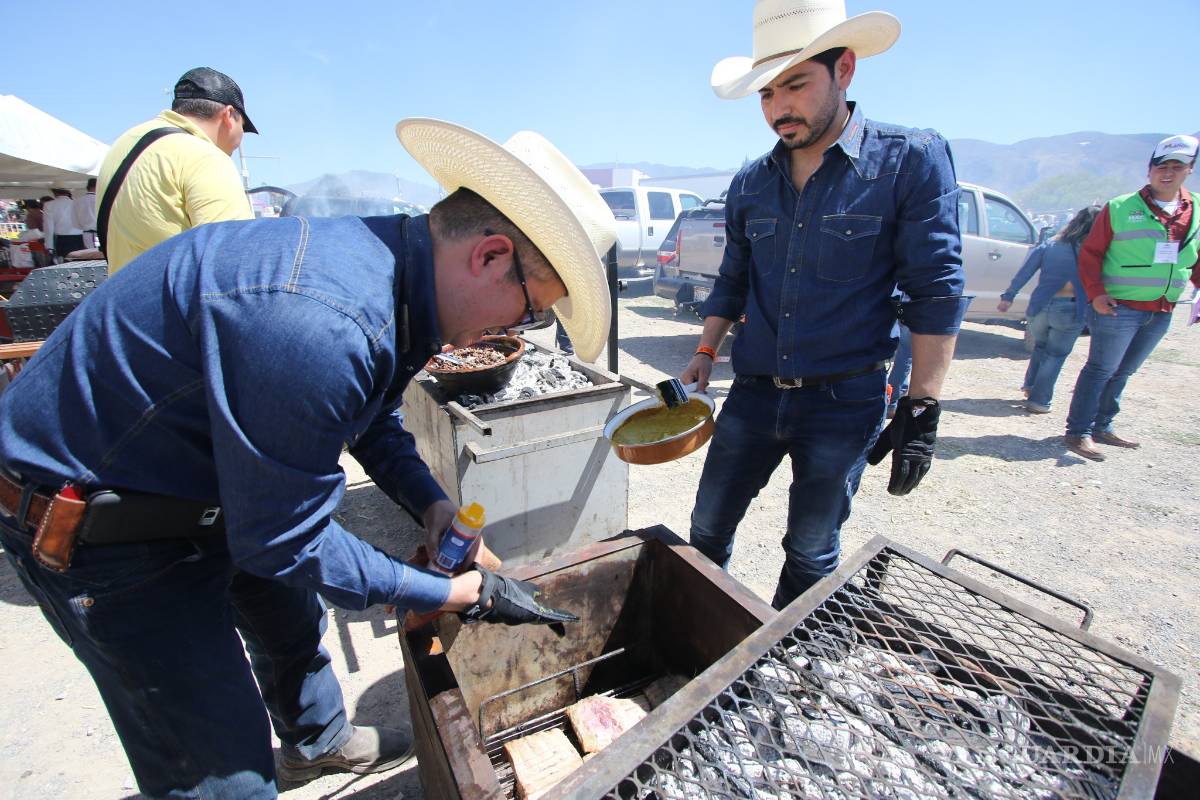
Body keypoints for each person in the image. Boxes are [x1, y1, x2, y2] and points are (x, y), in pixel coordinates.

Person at [0, 118, 616, 798]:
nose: (515, 331)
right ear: (492, 256)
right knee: (221, 773)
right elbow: (283, 539)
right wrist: (444, 592)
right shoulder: (325, 322)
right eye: (530, 312)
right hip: (97, 520)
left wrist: (431, 502)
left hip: (201, 476)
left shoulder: (395, 273)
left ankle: (318, 743)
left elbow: (372, 417)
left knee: (286, 614)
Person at [682, 1, 968, 609]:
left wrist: (924, 405)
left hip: (847, 399)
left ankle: (782, 666)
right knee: (705, 529)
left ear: (845, 69)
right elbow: (734, 276)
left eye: (795, 85)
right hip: (755, 391)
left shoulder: (909, 160)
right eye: (766, 93)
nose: (778, 108)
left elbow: (936, 288)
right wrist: (706, 348)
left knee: (811, 549)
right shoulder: (751, 182)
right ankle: (701, 638)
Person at [1063, 134, 1200, 461]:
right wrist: (1096, 293)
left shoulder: (1195, 209)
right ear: (1149, 169)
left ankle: (1102, 426)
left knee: (1124, 371)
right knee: (1101, 369)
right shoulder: (1121, 207)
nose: (1167, 173)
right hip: (1117, 307)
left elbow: (1195, 257)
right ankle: (1078, 431)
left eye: (1176, 167)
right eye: (1161, 166)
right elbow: (1091, 254)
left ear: (1189, 170)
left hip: (1161, 309)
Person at [96, 67, 256, 272]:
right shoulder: (204, 156)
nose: (241, 135)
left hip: (123, 297)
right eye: (243, 126)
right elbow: (232, 260)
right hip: (172, 301)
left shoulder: (124, 144)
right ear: (228, 115)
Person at [997, 206, 1101, 413]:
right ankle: (1039, 400)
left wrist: (1008, 296)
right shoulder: (1095, 251)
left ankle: (1030, 386)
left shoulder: (1051, 244)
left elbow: (1025, 271)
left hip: (1040, 306)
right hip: (1071, 309)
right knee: (1056, 355)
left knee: (1041, 347)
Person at [42, 187, 84, 260]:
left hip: (62, 239)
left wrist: (49, 246)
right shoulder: (78, 203)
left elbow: (49, 227)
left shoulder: (49, 205)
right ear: (68, 192)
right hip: (79, 238)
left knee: (63, 263)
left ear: (54, 192)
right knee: (78, 262)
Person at [73, 177, 97, 249]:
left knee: (89, 254)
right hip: (98, 233)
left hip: (85, 233)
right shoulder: (100, 199)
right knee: (99, 254)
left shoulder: (77, 201)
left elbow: (74, 221)